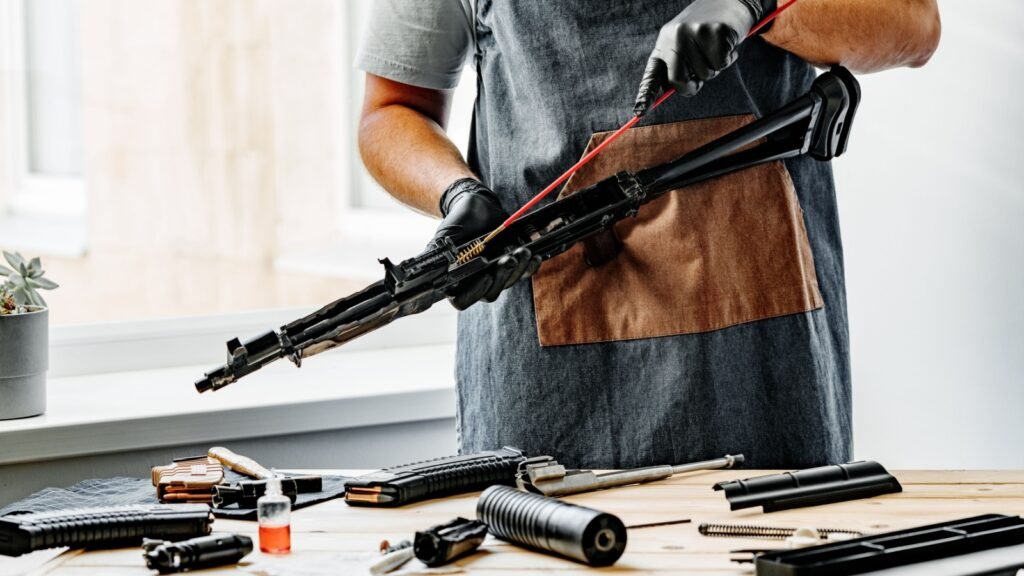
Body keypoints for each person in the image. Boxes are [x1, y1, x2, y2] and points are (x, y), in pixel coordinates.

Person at [357, 1, 941, 468]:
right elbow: (391, 110)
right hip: (543, 358)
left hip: (761, 357)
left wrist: (758, 5)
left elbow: (912, 22)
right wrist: (456, 193)